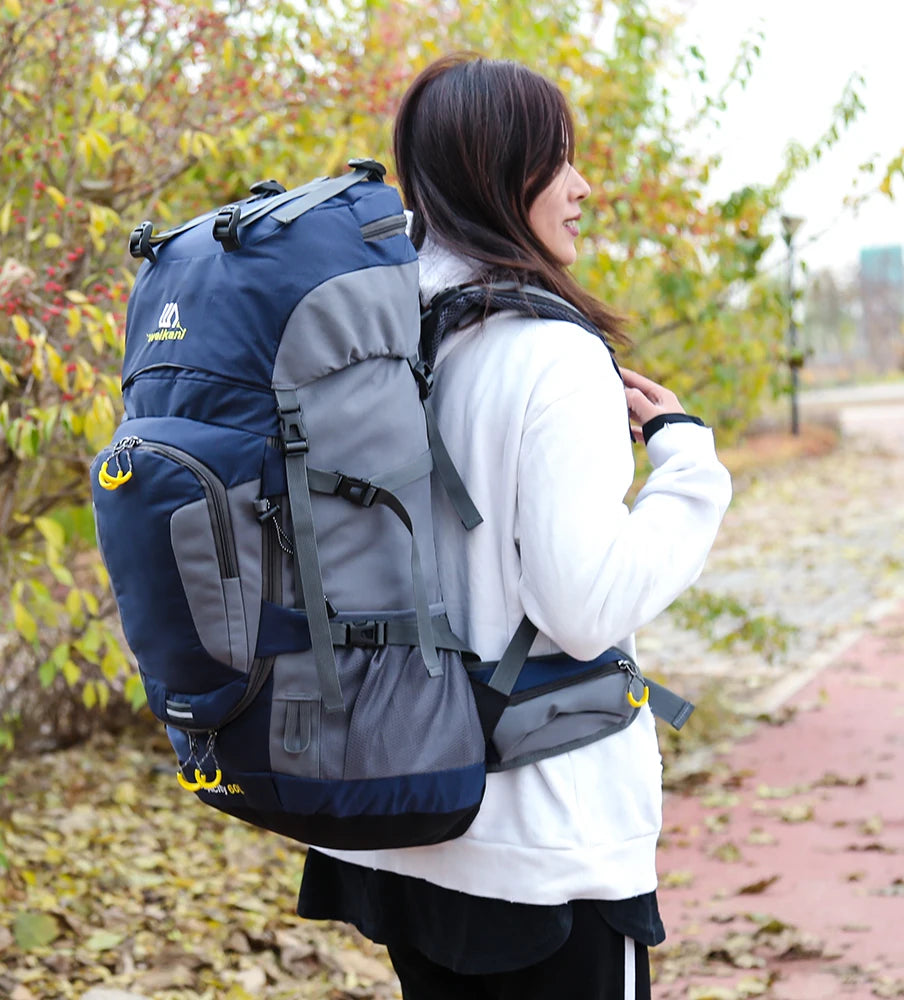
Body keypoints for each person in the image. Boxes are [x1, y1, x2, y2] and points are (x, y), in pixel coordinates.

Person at [297, 53, 732, 999]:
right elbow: (586, 607)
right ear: (499, 176)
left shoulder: (378, 341)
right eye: (557, 160)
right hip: (540, 838)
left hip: (402, 819)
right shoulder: (549, 355)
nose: (581, 188)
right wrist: (691, 470)